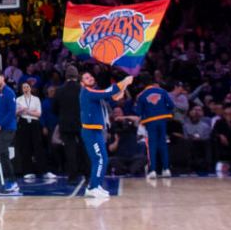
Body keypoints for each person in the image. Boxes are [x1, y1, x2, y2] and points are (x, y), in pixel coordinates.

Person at [80, 69, 133, 199]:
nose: (90, 78)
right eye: (86, 78)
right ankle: (93, 187)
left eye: (90, 75)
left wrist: (124, 86)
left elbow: (114, 96)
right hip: (90, 131)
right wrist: (123, 82)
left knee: (103, 159)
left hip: (97, 130)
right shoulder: (87, 92)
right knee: (99, 159)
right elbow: (109, 91)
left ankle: (95, 185)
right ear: (82, 83)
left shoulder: (94, 91)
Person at [135, 79, 174, 179]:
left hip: (150, 121)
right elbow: (171, 105)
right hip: (162, 121)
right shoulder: (162, 91)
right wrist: (165, 112)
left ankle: (153, 171)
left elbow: (138, 111)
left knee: (152, 146)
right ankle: (166, 169)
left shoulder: (142, 95)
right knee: (163, 144)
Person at [15, 82, 52, 182]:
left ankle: (44, 170)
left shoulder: (36, 99)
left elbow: (39, 113)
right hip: (23, 123)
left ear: (30, 88)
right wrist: (21, 111)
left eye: (27, 87)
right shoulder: (18, 99)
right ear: (21, 89)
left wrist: (27, 111)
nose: (26, 89)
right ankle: (27, 171)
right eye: (24, 87)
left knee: (38, 146)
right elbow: (16, 113)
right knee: (25, 147)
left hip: (35, 123)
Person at [55, 65, 83, 182]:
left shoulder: (60, 90)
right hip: (81, 123)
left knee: (70, 150)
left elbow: (54, 108)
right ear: (77, 76)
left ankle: (72, 177)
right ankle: (87, 176)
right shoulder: (82, 89)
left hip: (65, 123)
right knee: (84, 149)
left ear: (66, 76)